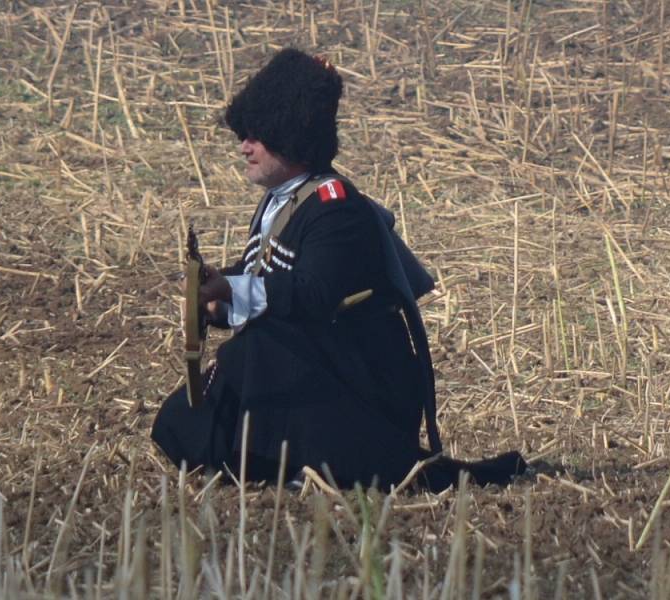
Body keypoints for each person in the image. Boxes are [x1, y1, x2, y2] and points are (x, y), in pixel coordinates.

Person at [151, 48, 525, 490]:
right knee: (181, 426)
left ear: (289, 134)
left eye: (257, 135)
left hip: (356, 383)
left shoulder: (336, 207)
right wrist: (217, 299)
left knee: (255, 351)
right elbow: (263, 276)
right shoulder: (280, 202)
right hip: (306, 369)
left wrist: (234, 291)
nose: (244, 146)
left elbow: (314, 293)